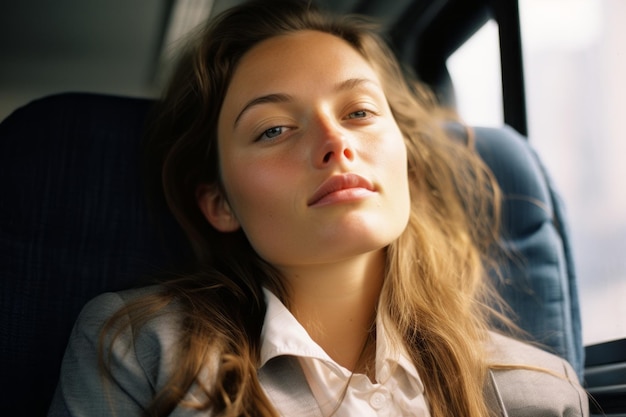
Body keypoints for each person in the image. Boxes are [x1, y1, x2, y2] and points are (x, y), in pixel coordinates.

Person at [48, 1, 588, 416]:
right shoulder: (141, 352)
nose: (335, 142)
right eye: (274, 129)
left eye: (358, 111)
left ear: (407, 168)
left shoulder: (543, 391)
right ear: (219, 203)